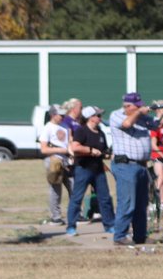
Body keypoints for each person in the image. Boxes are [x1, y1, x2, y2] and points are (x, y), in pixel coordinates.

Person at [108, 92, 154, 247]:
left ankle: (140, 236)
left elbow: (156, 124)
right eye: (137, 106)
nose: (141, 108)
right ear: (128, 106)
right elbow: (127, 124)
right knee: (127, 202)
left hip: (141, 165)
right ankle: (120, 235)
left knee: (142, 204)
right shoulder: (116, 115)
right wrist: (140, 112)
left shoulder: (140, 118)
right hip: (125, 165)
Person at [65, 106, 115, 236]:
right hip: (83, 169)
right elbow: (75, 147)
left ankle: (110, 225)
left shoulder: (101, 133)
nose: (100, 118)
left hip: (98, 170)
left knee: (105, 198)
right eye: (98, 115)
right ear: (90, 117)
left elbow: (103, 151)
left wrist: (109, 155)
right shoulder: (81, 131)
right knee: (77, 198)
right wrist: (90, 150)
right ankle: (71, 226)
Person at [39, 104, 71, 225]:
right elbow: (44, 149)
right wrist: (63, 151)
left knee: (73, 186)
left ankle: (76, 214)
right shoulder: (48, 128)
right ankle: (55, 216)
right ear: (53, 115)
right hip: (54, 161)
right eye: (60, 114)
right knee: (55, 189)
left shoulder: (64, 126)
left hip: (67, 161)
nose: (62, 116)